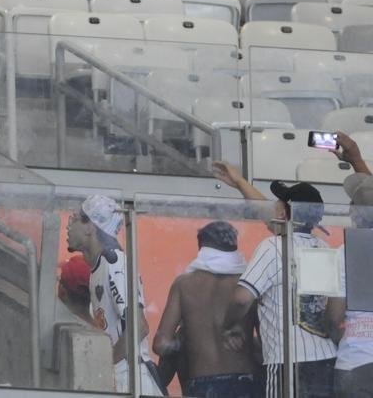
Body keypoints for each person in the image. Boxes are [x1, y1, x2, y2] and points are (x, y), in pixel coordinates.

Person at [214, 163, 337, 398]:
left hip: (287, 363)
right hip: (326, 360)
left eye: (278, 204)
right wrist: (240, 183)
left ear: (283, 213)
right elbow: (276, 222)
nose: (274, 207)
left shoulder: (273, 247)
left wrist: (229, 327)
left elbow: (241, 300)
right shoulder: (325, 249)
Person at [66, 194, 164, 395]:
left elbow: (139, 326)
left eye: (74, 219)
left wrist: (106, 364)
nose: (68, 226)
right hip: (122, 376)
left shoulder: (114, 262)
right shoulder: (97, 268)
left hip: (131, 378)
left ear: (89, 226)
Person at [153, 220, 259, 398]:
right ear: (234, 246)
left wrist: (186, 339)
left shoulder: (183, 285)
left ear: (201, 248)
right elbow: (266, 346)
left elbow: (161, 344)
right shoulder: (248, 286)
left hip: (202, 385)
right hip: (245, 382)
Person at [326, 132, 373, 398]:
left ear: (355, 212)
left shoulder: (347, 251)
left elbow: (334, 315)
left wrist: (334, 335)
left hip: (355, 360)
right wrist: (355, 157)